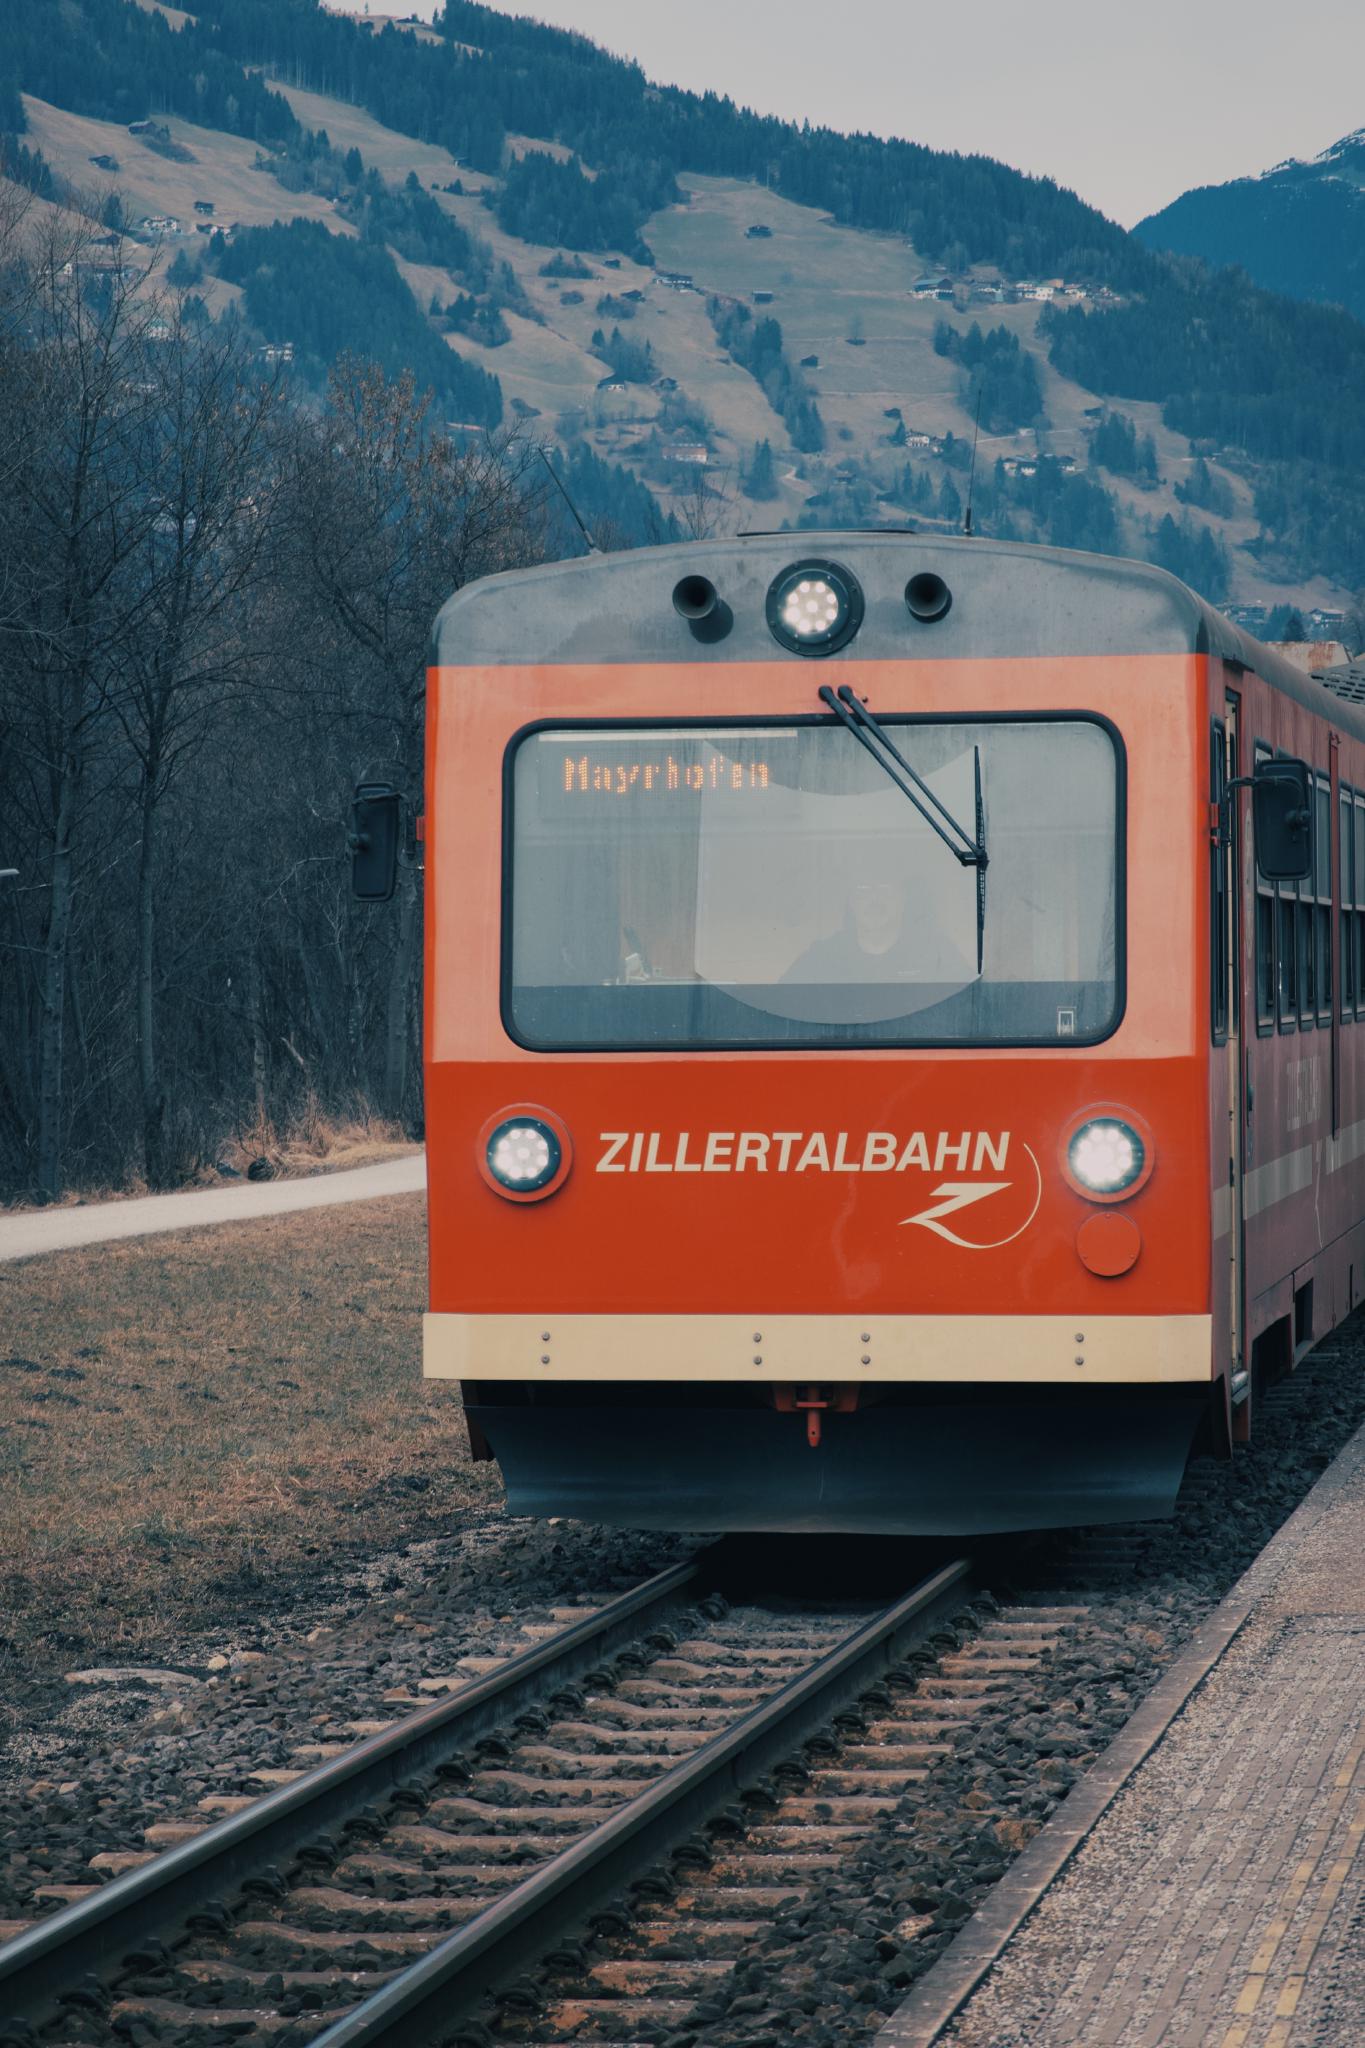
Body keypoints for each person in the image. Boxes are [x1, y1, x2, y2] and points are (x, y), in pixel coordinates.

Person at [783, 870, 927, 983]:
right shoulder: (822, 957)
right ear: (851, 903)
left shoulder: (931, 955)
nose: (874, 899)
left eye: (885, 889)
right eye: (863, 890)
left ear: (902, 900)